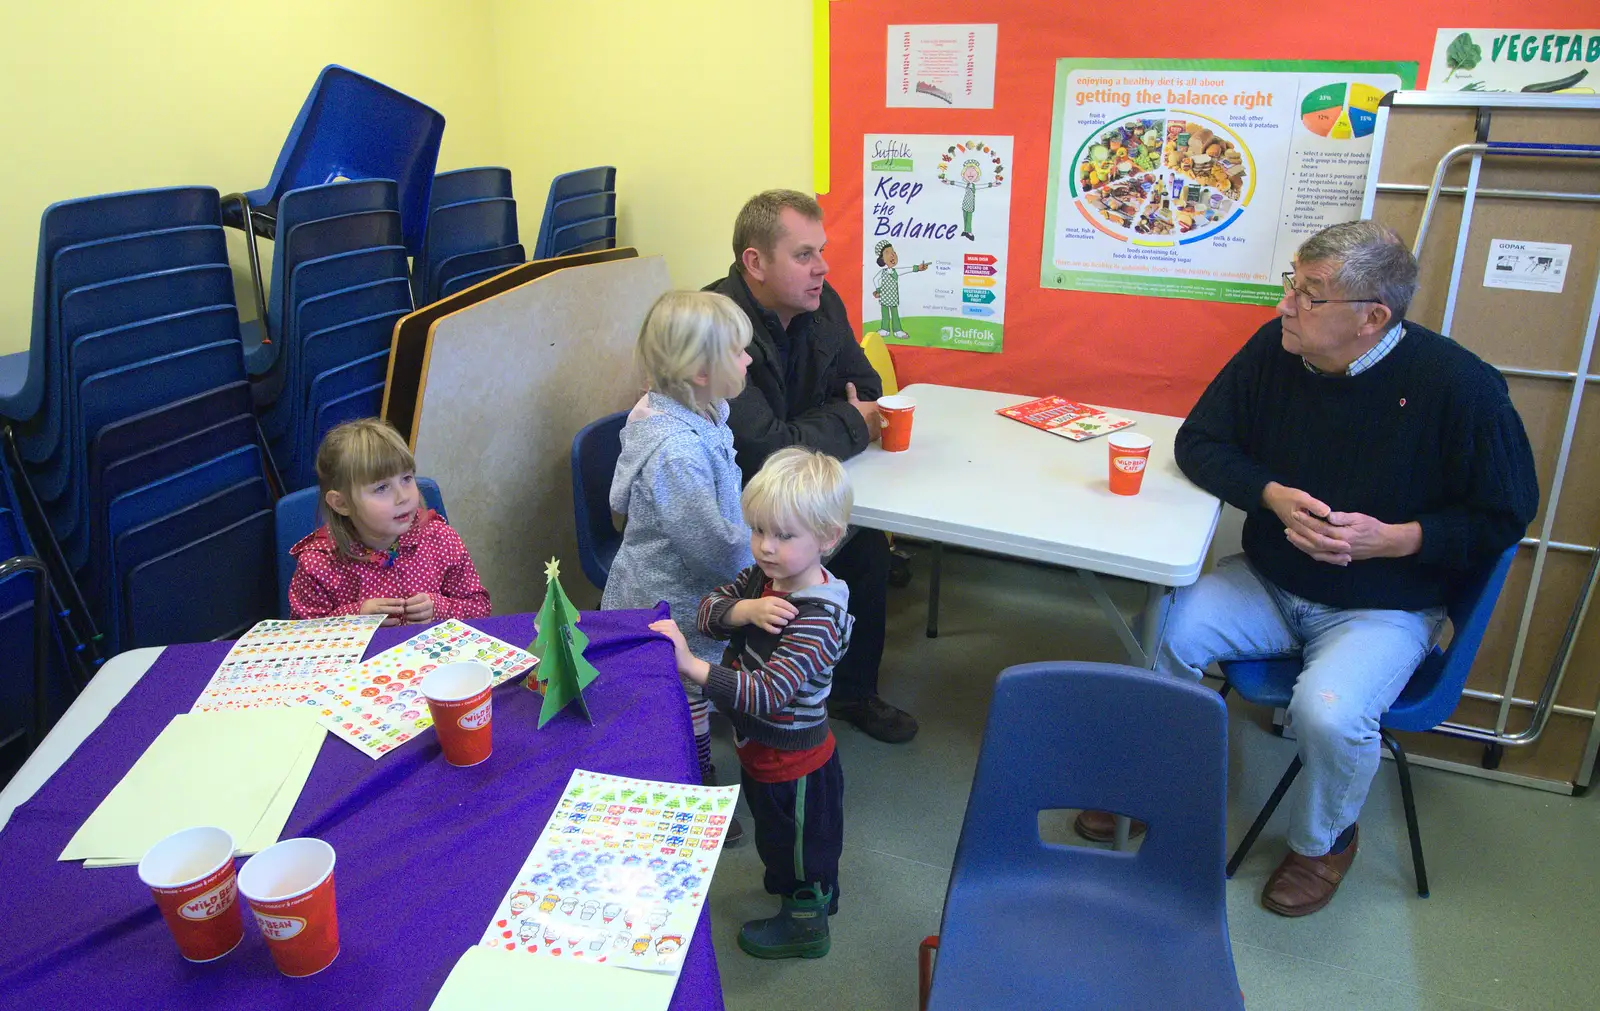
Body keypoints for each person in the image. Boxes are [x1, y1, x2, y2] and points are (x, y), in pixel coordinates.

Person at [1077, 221, 1537, 917]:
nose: (1286, 305)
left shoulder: (1462, 388)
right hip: (1269, 580)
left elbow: (1507, 515)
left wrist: (1401, 538)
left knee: (1328, 711)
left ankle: (1323, 842)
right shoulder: (1276, 350)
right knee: (1164, 632)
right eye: (1292, 282)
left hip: (1383, 606)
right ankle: (1149, 783)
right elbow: (1199, 440)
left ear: (1372, 317)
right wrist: (1270, 494)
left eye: (1310, 294)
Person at [707, 188, 917, 744]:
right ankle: (759, 687)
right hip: (749, 505)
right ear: (755, 263)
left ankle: (850, 693)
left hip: (801, 487)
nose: (822, 267)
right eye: (804, 255)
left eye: (820, 251)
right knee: (839, 544)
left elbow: (867, 388)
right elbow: (763, 450)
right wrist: (844, 420)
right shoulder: (716, 327)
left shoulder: (821, 302)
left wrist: (821, 424)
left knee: (865, 542)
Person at [650, 447, 854, 959]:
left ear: (828, 538)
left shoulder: (819, 618)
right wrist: (746, 609)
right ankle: (794, 890)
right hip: (761, 754)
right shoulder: (766, 581)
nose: (764, 546)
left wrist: (694, 668)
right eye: (758, 530)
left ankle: (807, 925)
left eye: (784, 536)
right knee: (777, 839)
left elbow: (768, 694)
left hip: (797, 766)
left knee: (803, 852)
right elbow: (707, 611)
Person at [601, 289, 755, 829]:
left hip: (698, 586)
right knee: (687, 695)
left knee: (697, 685)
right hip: (670, 595)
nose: (748, 359)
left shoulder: (705, 410)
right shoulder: (675, 452)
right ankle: (694, 788)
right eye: (737, 351)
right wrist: (763, 557)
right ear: (697, 370)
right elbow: (713, 548)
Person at [288, 418, 490, 623]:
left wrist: (439, 609)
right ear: (342, 504)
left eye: (407, 478)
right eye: (381, 488)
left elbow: (480, 608)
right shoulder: (318, 563)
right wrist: (355, 618)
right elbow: (302, 636)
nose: (403, 496)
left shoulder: (440, 539)